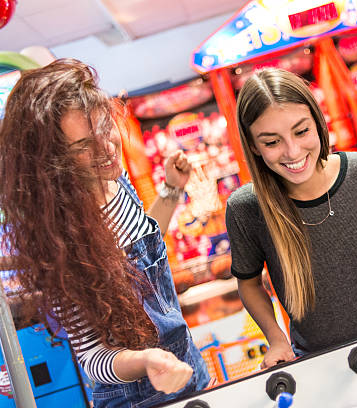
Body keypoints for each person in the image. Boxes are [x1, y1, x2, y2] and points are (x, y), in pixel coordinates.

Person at [0, 59, 210, 407]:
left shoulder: (115, 180)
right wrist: (146, 361)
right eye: (83, 146)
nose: (106, 148)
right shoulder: (63, 238)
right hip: (138, 395)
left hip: (186, 366)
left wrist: (172, 190)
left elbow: (143, 245)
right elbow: (94, 358)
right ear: (52, 160)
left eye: (104, 128)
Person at [226, 68, 357, 368]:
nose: (293, 151)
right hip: (313, 365)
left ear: (318, 122)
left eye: (301, 131)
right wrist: (276, 340)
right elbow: (248, 283)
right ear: (253, 147)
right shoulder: (245, 208)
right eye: (272, 142)